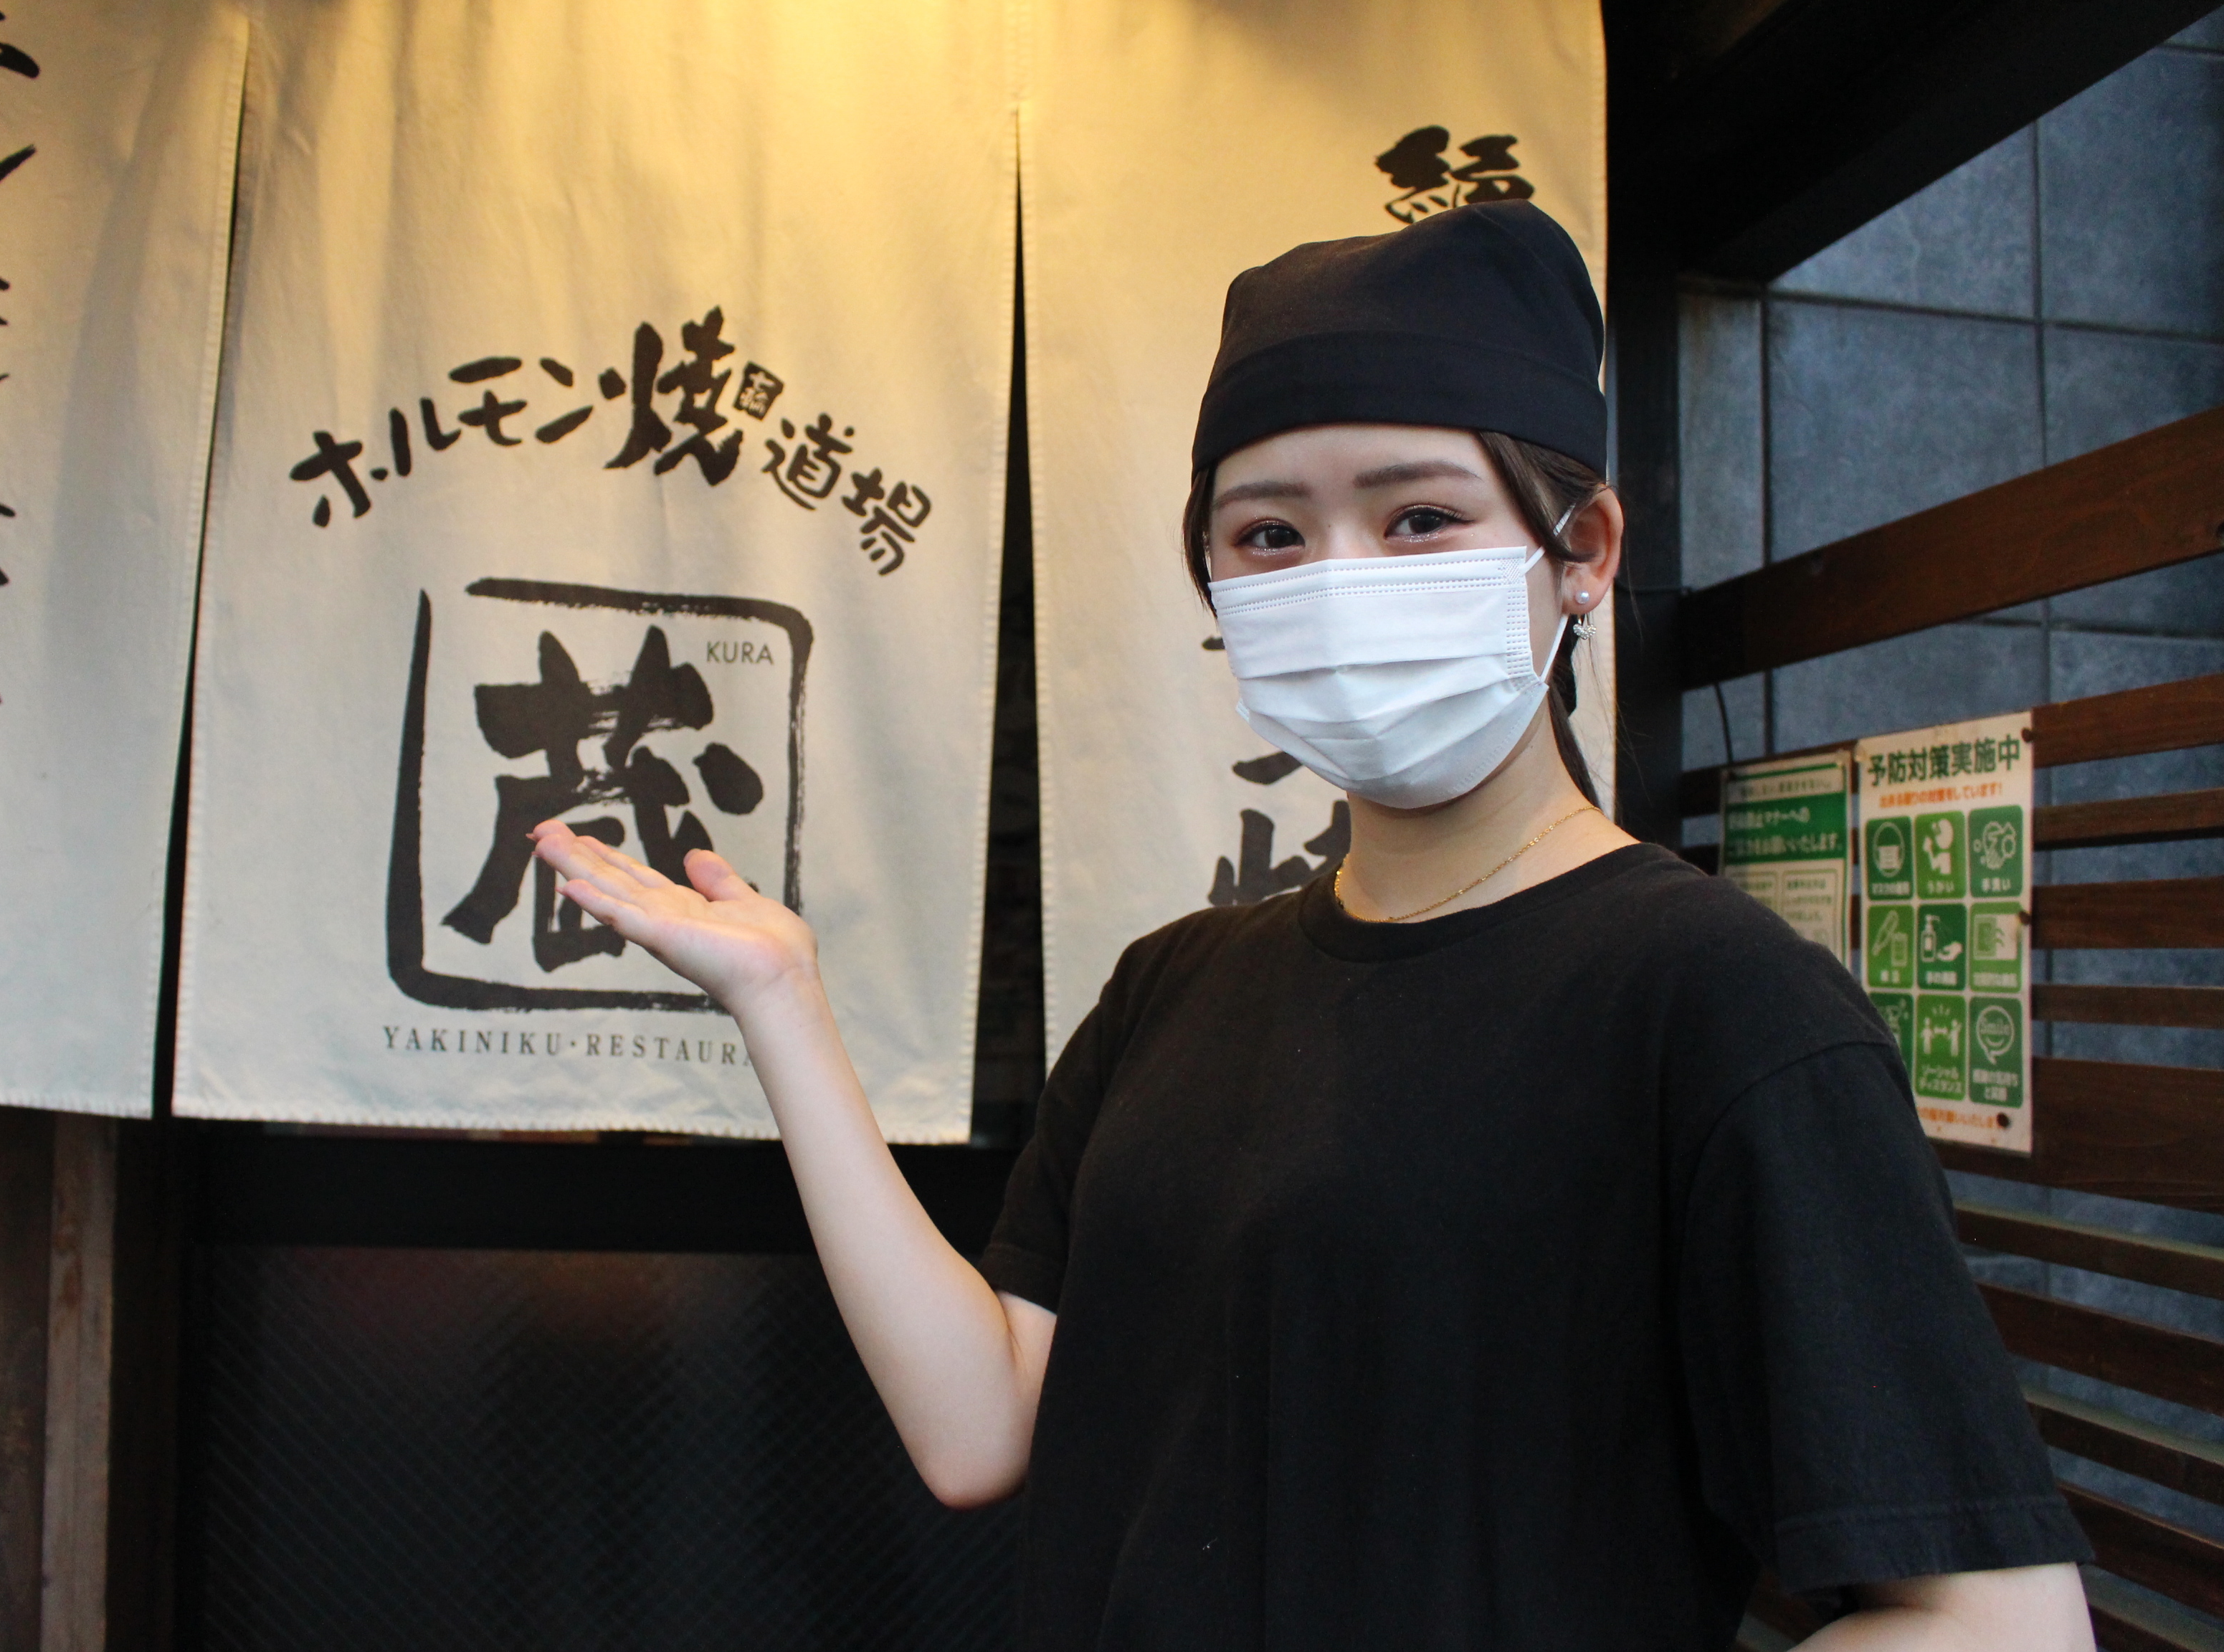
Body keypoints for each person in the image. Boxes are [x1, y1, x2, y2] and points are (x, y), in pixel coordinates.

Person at [531, 202, 2094, 1651]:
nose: (1339, 580)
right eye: (1269, 535)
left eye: (1418, 518)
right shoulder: (1174, 987)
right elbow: (977, 1429)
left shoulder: (1723, 1007)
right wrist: (785, 1011)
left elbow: (2000, 1626)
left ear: (1583, 555)